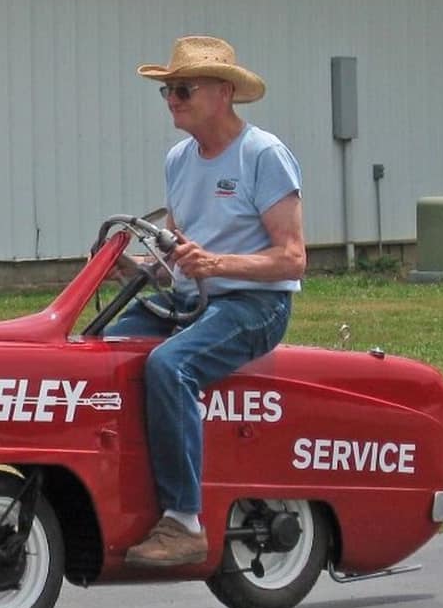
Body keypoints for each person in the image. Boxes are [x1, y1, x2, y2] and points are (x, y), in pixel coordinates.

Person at [107, 35, 307, 567]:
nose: (172, 99)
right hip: (191, 299)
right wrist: (135, 267)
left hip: (254, 305)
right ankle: (117, 494)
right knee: (98, 353)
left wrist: (217, 265)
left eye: (182, 89)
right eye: (167, 91)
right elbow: (178, 253)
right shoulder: (179, 159)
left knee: (169, 365)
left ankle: (184, 521)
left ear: (223, 93)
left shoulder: (262, 154)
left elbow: (292, 259)